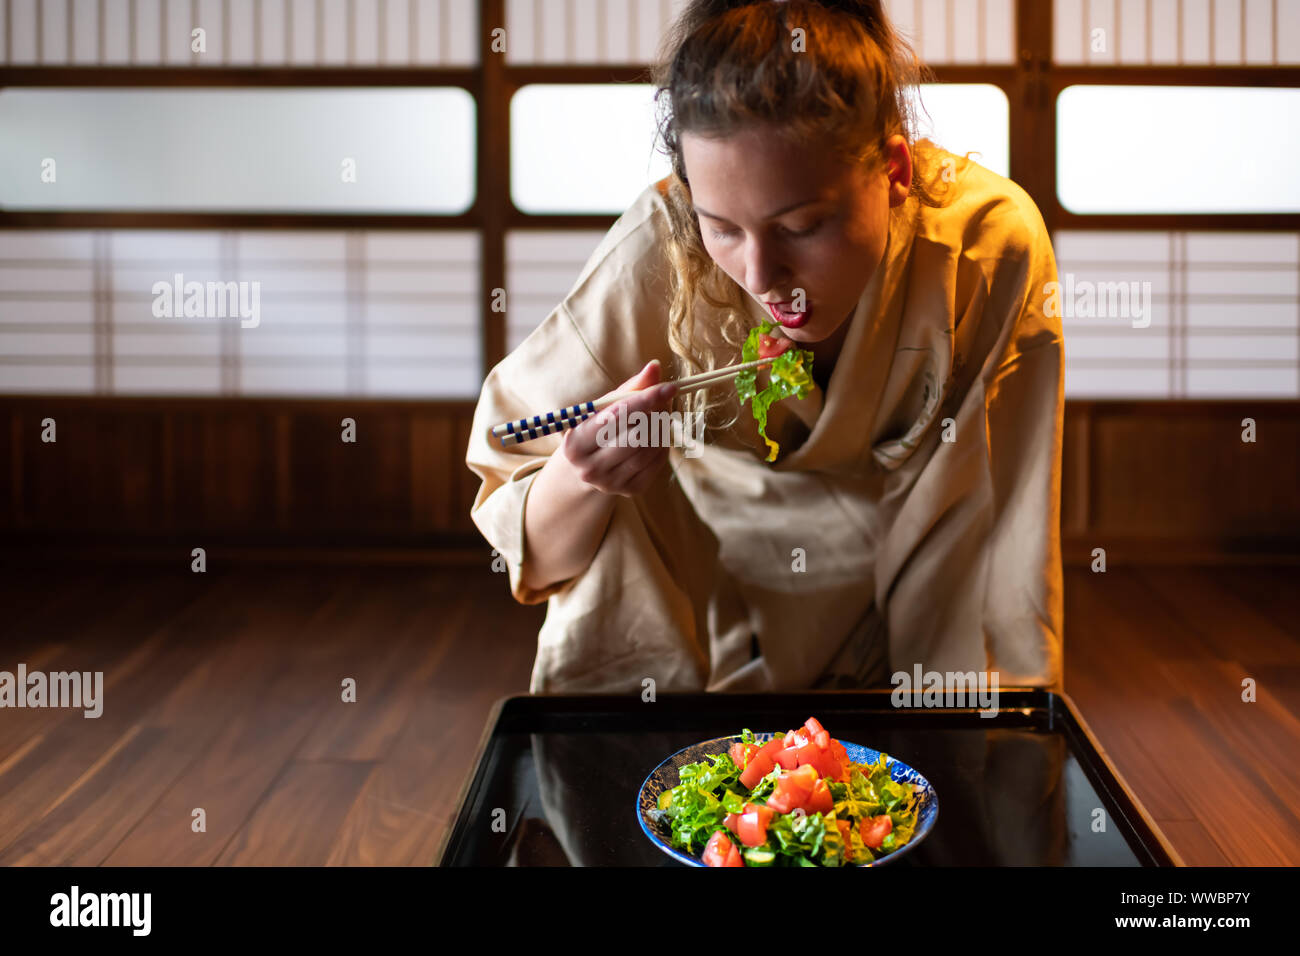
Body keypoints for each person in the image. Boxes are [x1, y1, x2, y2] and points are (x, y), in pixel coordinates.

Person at [466, 0, 1064, 694]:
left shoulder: (986, 246)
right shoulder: (663, 250)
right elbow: (533, 548)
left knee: (963, 759)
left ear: (896, 171)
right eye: (721, 227)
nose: (758, 275)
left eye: (803, 226)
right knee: (617, 512)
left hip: (918, 587)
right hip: (709, 600)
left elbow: (1006, 532)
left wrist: (997, 752)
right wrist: (584, 474)